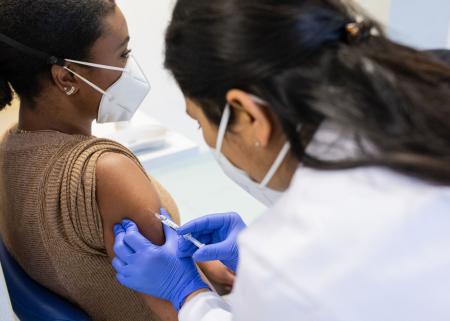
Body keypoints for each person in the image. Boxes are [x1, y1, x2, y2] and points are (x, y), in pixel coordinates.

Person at [111, 0, 450, 320]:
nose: (208, 138)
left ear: (249, 115)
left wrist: (188, 295)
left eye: (201, 122)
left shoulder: (283, 265)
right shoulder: (431, 83)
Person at [0, 1, 233, 321]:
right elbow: (177, 307)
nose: (129, 67)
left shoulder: (11, 146)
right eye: (123, 54)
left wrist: (201, 262)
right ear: (66, 77)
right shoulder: (108, 174)